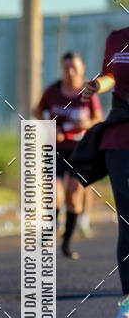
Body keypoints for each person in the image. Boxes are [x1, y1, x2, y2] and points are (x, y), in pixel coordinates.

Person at [80, 28, 129, 318]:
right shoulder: (116, 38)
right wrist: (98, 83)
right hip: (120, 136)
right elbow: (111, 73)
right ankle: (128, 301)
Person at [34, 51, 102, 259]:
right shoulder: (53, 90)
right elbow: (38, 111)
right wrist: (50, 127)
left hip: (80, 151)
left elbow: (98, 118)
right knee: (54, 194)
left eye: (74, 67)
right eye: (66, 68)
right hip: (55, 149)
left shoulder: (88, 92)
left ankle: (67, 244)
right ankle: (51, 230)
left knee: (73, 196)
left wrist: (87, 124)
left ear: (81, 69)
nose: (70, 72)